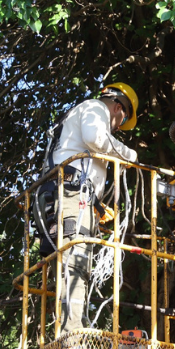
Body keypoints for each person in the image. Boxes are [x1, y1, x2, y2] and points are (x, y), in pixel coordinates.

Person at [45, 82, 139, 333]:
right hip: (72, 194)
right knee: (75, 259)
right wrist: (127, 154)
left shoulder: (78, 114)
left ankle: (74, 323)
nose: (119, 127)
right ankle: (72, 330)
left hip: (70, 194)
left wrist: (96, 205)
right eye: (123, 120)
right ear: (118, 107)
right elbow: (95, 138)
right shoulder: (95, 108)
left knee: (76, 259)